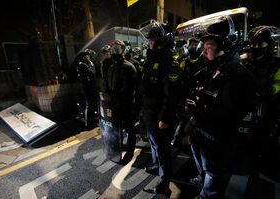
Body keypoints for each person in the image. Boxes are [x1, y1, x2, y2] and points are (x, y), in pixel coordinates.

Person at [187, 16, 256, 199]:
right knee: (206, 170)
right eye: (204, 47)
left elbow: (226, 116)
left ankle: (208, 194)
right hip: (202, 133)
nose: (204, 51)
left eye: (209, 46)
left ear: (225, 46)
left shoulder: (238, 76)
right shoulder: (216, 68)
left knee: (214, 174)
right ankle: (204, 181)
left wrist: (196, 111)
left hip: (216, 140)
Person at [141, 22, 183, 196]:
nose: (148, 44)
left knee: (163, 149)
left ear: (161, 42)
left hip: (160, 117)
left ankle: (164, 183)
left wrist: (164, 119)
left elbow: (171, 96)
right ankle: (156, 164)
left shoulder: (169, 65)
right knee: (154, 144)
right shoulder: (152, 61)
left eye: (151, 41)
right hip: (150, 114)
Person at [246, 26, 280, 179]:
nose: (255, 47)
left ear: (269, 45)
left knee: (261, 137)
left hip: (265, 106)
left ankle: (258, 164)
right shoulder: (245, 61)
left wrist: (271, 89)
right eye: (253, 43)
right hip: (245, 105)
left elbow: (277, 85)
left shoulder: (276, 64)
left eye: (260, 44)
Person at [99, 40, 137, 164]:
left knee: (130, 128)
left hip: (126, 104)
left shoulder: (129, 67)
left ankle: (131, 149)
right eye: (113, 49)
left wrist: (117, 97)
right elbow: (108, 84)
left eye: (118, 49)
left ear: (123, 51)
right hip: (113, 104)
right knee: (116, 127)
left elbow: (129, 89)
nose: (115, 52)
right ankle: (118, 146)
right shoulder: (111, 67)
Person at [71, 49, 97, 129]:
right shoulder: (83, 65)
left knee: (88, 104)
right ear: (85, 56)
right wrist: (92, 66)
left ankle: (90, 121)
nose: (90, 58)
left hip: (86, 87)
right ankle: (88, 123)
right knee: (89, 105)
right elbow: (92, 74)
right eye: (89, 56)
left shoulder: (82, 64)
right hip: (87, 87)